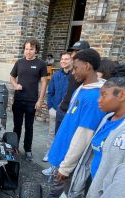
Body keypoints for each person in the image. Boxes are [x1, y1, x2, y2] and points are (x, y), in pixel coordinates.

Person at [43, 48, 106, 198]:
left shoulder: (96, 97)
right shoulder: (81, 88)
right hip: (63, 148)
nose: (73, 71)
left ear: (87, 66)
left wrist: (68, 165)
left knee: (73, 192)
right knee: (57, 180)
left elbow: (84, 136)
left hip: (75, 157)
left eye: (76, 67)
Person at [42, 41, 90, 174]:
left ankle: (64, 171)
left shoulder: (81, 74)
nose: (74, 55)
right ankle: (54, 166)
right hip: (60, 111)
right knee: (58, 137)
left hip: (73, 114)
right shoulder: (58, 74)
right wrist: (52, 107)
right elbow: (51, 92)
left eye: (76, 53)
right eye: (73, 52)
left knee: (70, 143)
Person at [10, 37, 48, 161]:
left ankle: (28, 150)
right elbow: (12, 76)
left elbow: (43, 83)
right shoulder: (19, 62)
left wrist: (40, 100)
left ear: (36, 50)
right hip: (19, 99)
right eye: (26, 49)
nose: (28, 51)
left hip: (32, 101)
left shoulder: (41, 64)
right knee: (17, 126)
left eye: (31, 49)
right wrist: (15, 85)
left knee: (29, 126)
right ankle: (14, 148)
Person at [44, 52, 73, 162]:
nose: (63, 61)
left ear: (72, 61)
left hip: (68, 111)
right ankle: (49, 152)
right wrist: (50, 107)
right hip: (55, 110)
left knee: (65, 134)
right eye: (62, 59)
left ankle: (62, 156)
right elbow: (50, 92)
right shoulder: (56, 75)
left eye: (66, 59)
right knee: (52, 132)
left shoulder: (75, 76)